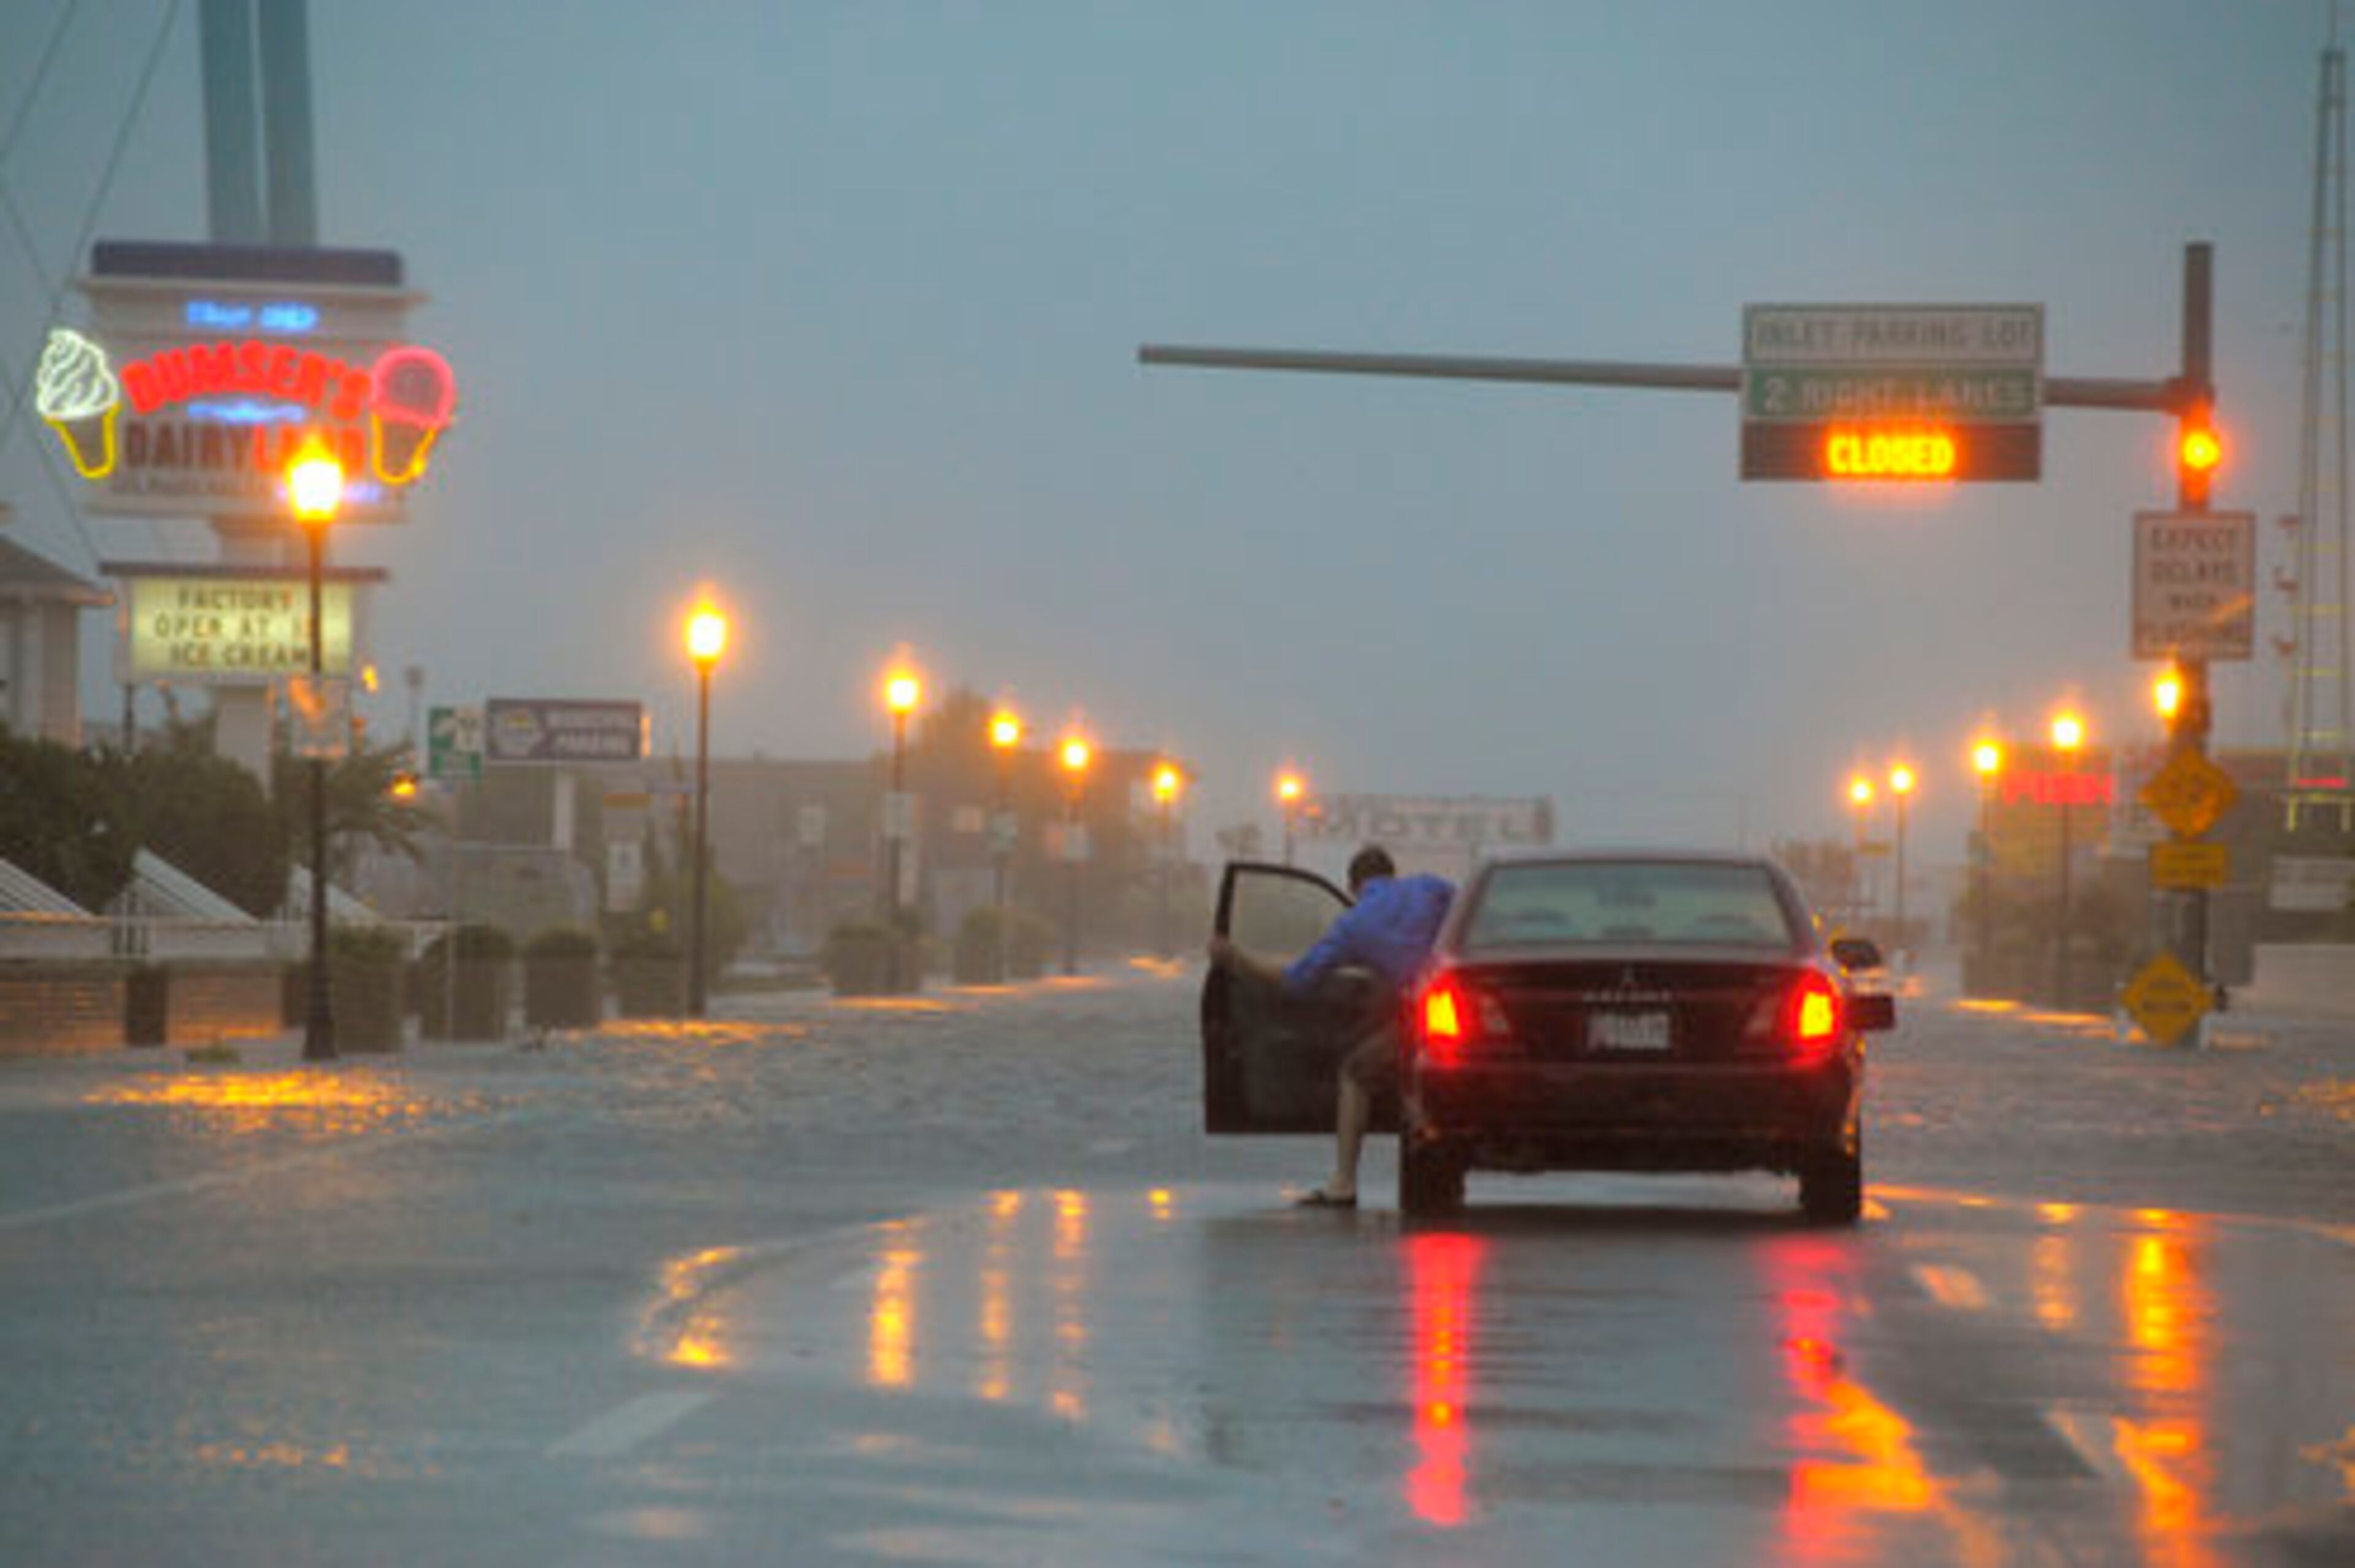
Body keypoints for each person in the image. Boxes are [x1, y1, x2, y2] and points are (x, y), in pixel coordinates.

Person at [1208, 844, 1453, 1208]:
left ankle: (1344, 1183)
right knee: (1410, 1067)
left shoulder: (1352, 925)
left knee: (1355, 1072)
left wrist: (1237, 958)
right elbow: (1475, 915)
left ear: (1354, 886)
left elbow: (1296, 979)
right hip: (1461, 1008)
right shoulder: (1431, 888)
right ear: (1393, 873)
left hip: (1420, 1018)